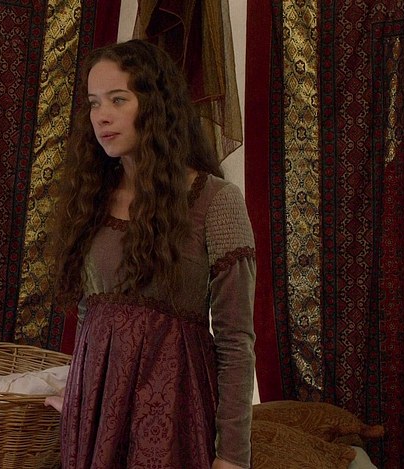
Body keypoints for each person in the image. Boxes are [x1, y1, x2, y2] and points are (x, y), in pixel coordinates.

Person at [47, 39, 256, 469]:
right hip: (95, 423)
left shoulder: (215, 201)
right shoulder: (89, 201)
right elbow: (91, 318)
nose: (101, 116)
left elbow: (236, 341)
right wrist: (77, 391)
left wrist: (233, 455)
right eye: (94, 103)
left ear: (156, 106)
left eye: (118, 99)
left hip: (173, 415)